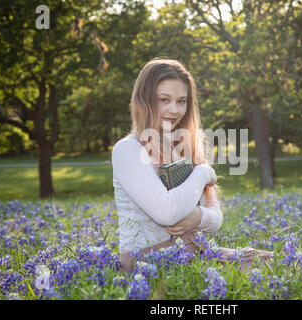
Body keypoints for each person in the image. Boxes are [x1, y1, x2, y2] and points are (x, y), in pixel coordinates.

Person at [112, 57, 273, 274]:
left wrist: (199, 217)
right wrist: (203, 172)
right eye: (164, 100)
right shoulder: (128, 150)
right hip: (146, 263)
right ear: (145, 100)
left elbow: (216, 218)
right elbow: (166, 213)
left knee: (269, 262)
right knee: (255, 270)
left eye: (181, 101)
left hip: (193, 250)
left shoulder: (188, 146)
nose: (174, 110)